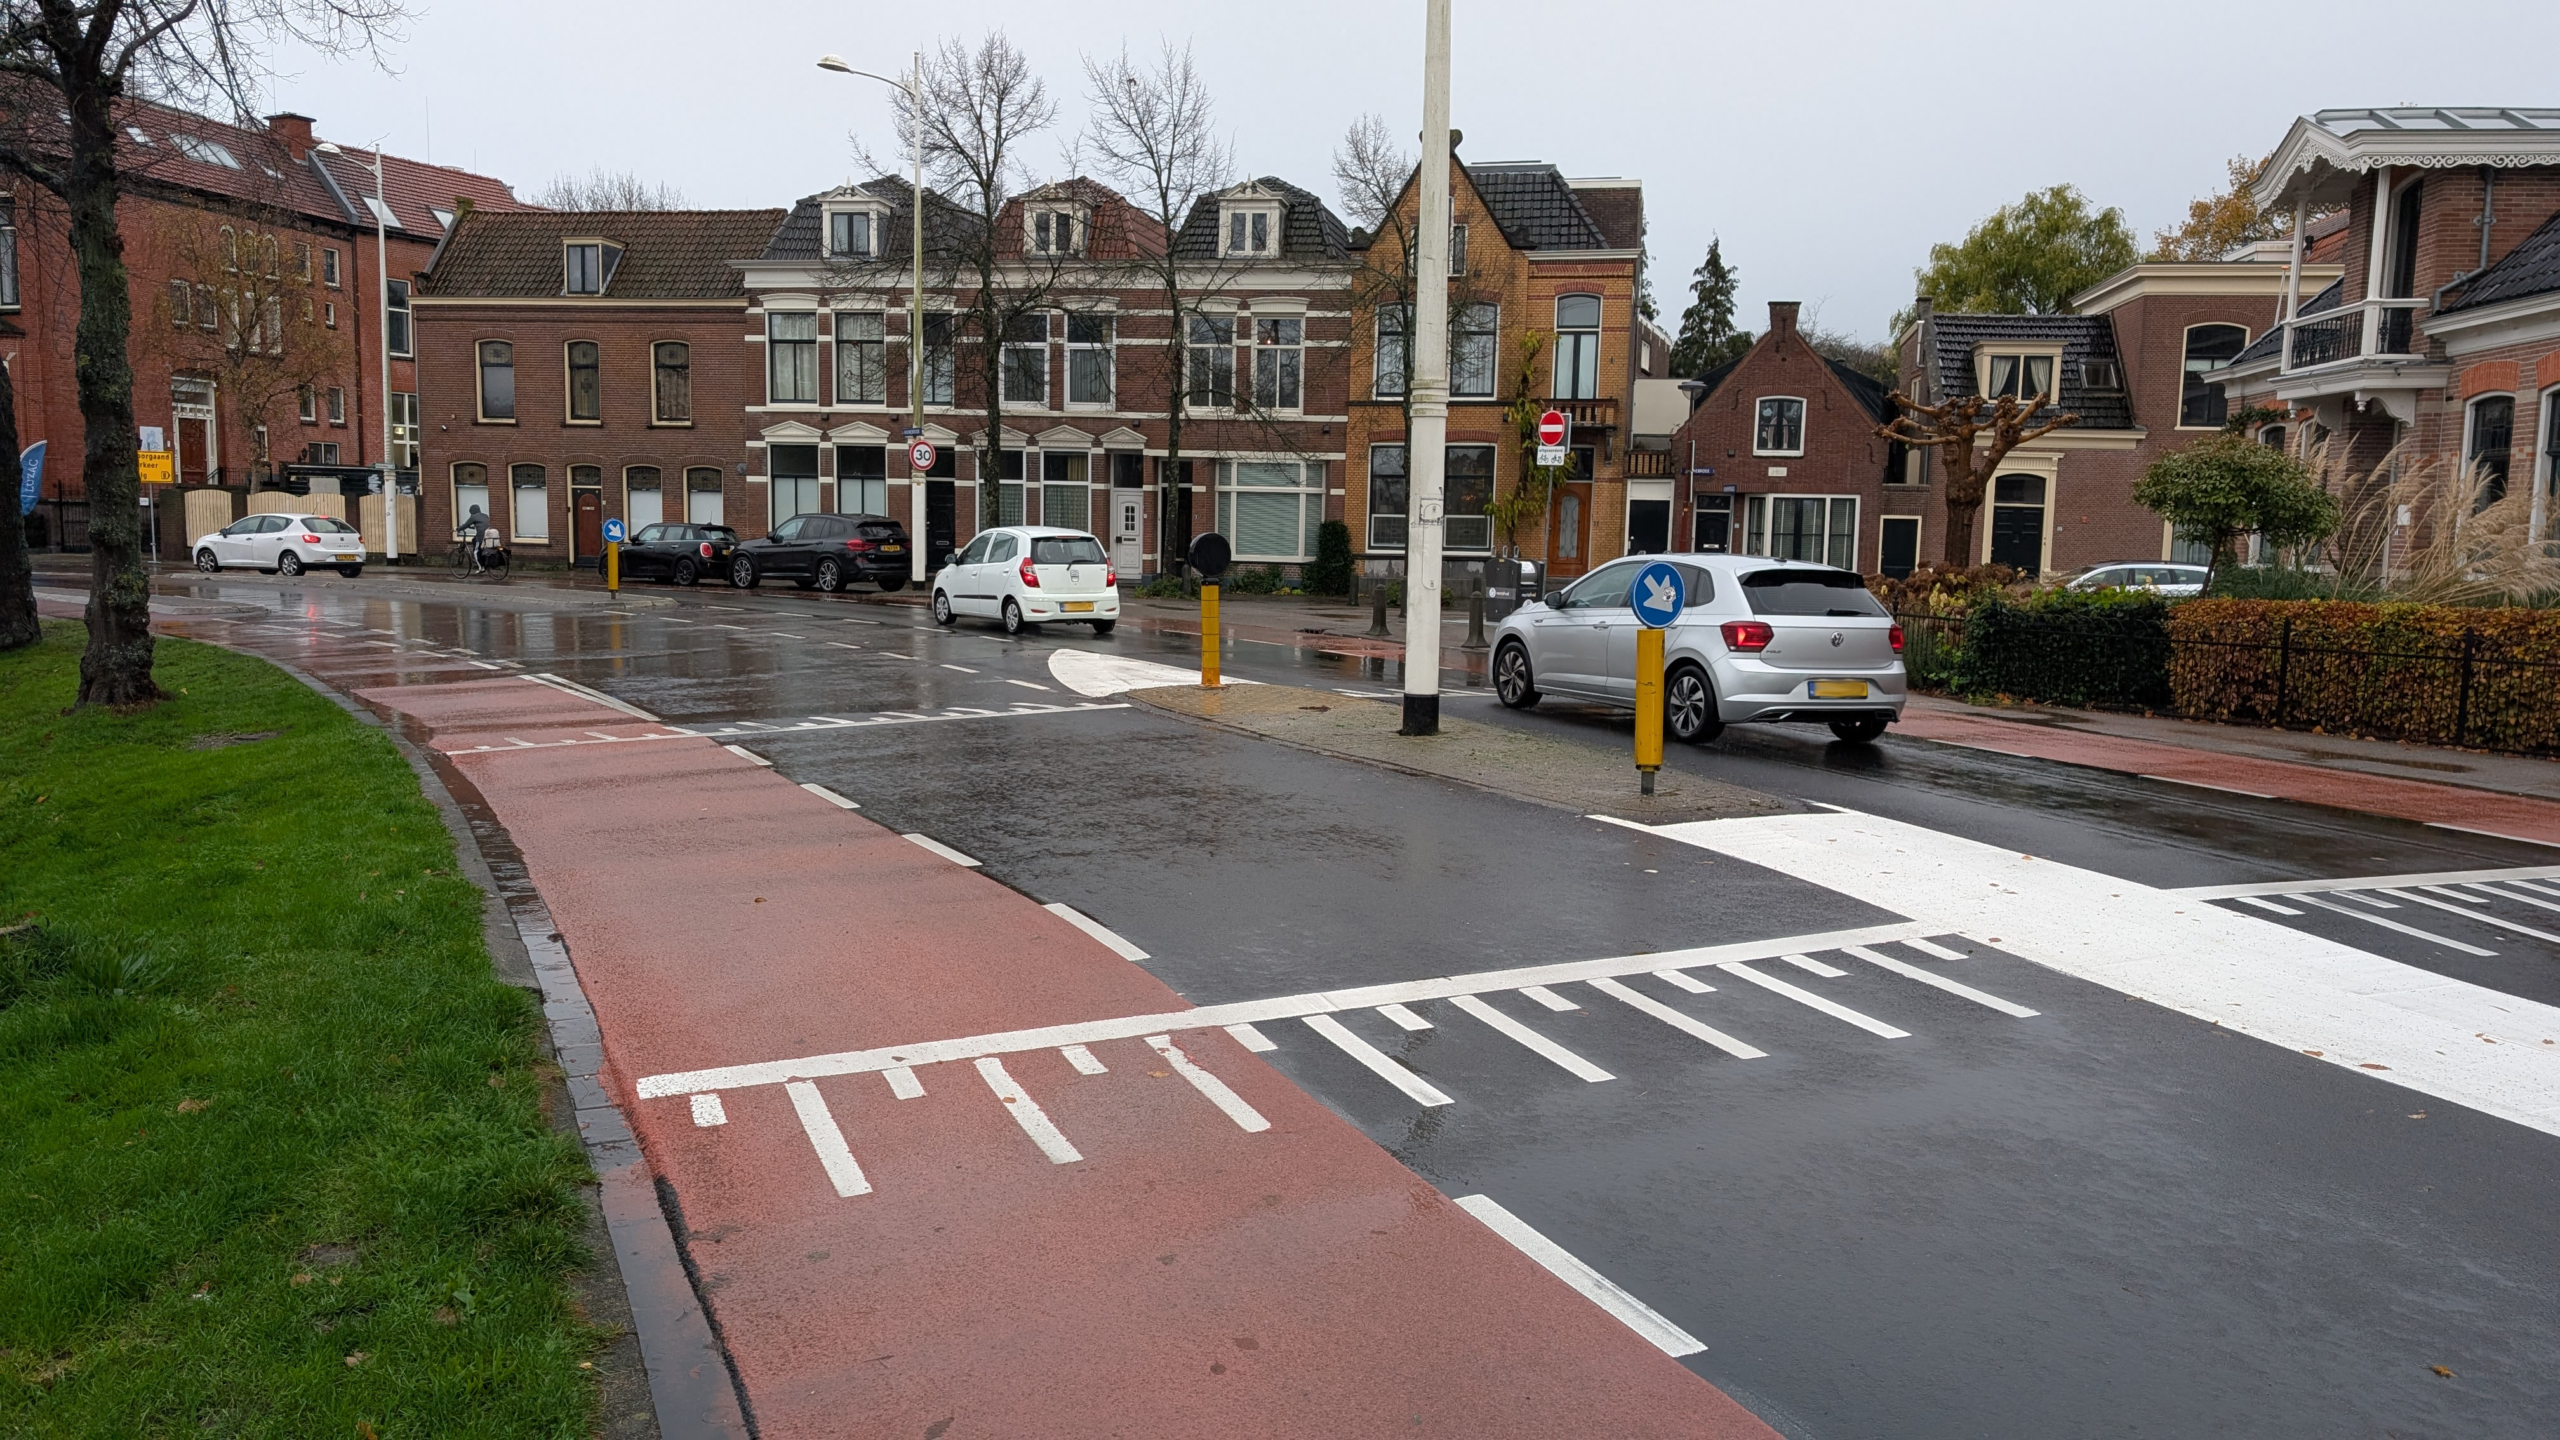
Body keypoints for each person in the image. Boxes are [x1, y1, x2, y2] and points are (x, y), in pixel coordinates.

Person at [459, 503, 493, 574]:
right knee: (475, 541)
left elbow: (465, 525)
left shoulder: (474, 517)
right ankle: (483, 561)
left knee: (476, 551)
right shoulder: (485, 516)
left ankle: (481, 567)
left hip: (481, 536)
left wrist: (457, 529)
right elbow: (482, 524)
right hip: (489, 535)